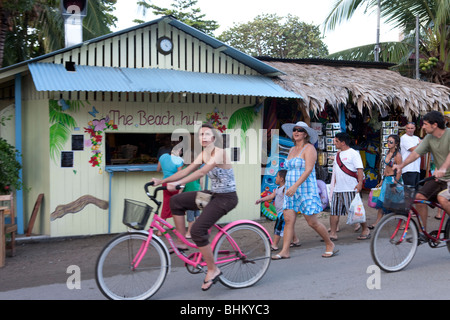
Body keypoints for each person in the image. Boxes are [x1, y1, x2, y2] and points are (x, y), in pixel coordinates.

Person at [151, 123, 238, 291]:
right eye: (201, 135)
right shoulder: (204, 153)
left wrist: (177, 184)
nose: (203, 137)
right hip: (212, 195)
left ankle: (213, 270)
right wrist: (162, 181)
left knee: (198, 230)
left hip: (226, 198)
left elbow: (200, 173)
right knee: (176, 202)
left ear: (214, 137)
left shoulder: (220, 153)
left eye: (207, 134)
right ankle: (182, 241)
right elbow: (187, 171)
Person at [272, 121, 337, 260]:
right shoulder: (291, 149)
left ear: (305, 134)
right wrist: (288, 187)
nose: (296, 132)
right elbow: (288, 169)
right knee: (289, 220)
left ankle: (329, 243)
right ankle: (285, 251)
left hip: (305, 189)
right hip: (290, 190)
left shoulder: (309, 149)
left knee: (312, 222)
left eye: (300, 130)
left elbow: (308, 170)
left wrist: (295, 186)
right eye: (294, 130)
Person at [395, 111, 450, 232]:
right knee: (419, 197)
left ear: (434, 125)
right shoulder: (429, 138)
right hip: (439, 178)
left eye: (425, 124)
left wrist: (443, 168)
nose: (423, 127)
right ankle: (422, 231)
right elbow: (416, 153)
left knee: (442, 198)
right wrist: (401, 165)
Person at [329, 132, 369, 240]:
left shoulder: (353, 153)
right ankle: (332, 233)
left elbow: (359, 169)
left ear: (343, 142)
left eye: (336, 141)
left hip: (351, 187)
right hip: (338, 189)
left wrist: (360, 183)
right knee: (334, 211)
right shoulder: (337, 155)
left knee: (356, 210)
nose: (335, 143)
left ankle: (365, 229)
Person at [255, 170, 300, 251]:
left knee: (278, 228)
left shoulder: (285, 189)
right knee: (289, 226)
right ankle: (295, 240)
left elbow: (289, 199)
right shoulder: (278, 188)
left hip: (283, 213)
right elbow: (271, 196)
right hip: (280, 212)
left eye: (277, 176)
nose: (275, 178)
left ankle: (274, 245)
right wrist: (261, 200)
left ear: (281, 179)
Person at [370, 134, 403, 229]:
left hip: (394, 180)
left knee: (395, 203)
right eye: (387, 141)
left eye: (391, 142)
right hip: (387, 180)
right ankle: (377, 222)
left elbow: (399, 170)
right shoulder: (388, 152)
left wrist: (395, 184)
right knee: (381, 202)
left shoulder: (397, 155)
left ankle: (403, 222)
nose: (388, 143)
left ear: (396, 143)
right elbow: (386, 167)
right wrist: (382, 179)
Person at [156, 146, 184, 235]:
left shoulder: (163, 157)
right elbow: (180, 174)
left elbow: (158, 169)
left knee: (166, 206)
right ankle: (180, 230)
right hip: (175, 185)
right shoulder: (179, 160)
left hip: (165, 183)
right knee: (178, 206)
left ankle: (160, 230)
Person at [400, 122, 421, 187]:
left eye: (412, 128)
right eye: (408, 128)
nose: (410, 130)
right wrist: (420, 144)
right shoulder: (404, 138)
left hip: (416, 168)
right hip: (408, 168)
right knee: (409, 191)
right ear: (405, 129)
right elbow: (413, 149)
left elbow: (423, 150)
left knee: (415, 190)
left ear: (415, 129)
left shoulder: (416, 138)